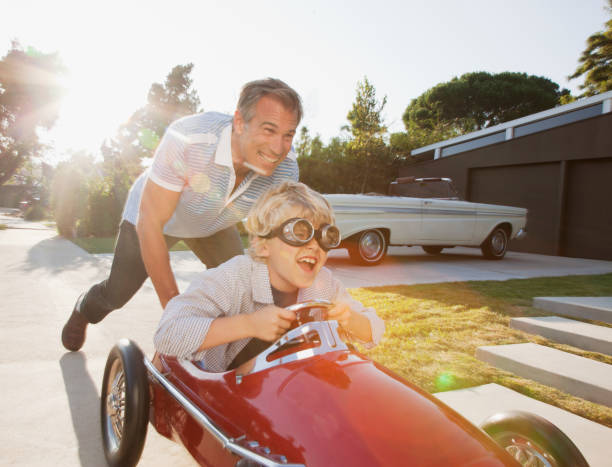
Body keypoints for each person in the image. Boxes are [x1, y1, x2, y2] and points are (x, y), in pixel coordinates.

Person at [62, 78, 303, 352]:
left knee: (244, 291)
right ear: (239, 122)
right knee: (116, 293)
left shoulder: (286, 168)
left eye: (288, 134)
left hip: (214, 222)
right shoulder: (190, 139)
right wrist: (179, 320)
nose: (278, 148)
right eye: (269, 130)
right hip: (154, 219)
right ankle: (84, 308)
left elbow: (275, 242)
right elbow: (150, 222)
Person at [153, 181, 385, 372]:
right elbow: (169, 334)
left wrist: (350, 318)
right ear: (263, 245)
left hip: (290, 386)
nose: (315, 246)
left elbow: (375, 329)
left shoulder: (324, 284)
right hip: (225, 390)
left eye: (326, 237)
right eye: (300, 232)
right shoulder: (233, 278)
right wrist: (249, 325)